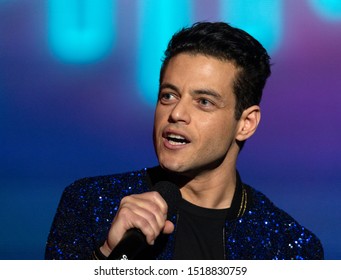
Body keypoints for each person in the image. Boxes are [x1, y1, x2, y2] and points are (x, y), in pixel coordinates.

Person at [45, 21, 323, 260]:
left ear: (246, 123)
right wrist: (108, 255)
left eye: (203, 102)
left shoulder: (286, 246)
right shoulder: (90, 203)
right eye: (168, 95)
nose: (176, 113)